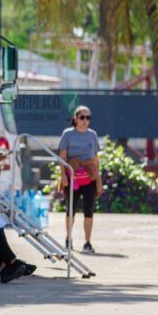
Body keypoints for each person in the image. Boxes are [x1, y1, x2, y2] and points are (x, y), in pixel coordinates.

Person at [58, 105, 101, 254]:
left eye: (88, 118)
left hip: (89, 178)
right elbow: (62, 158)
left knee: (89, 210)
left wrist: (98, 179)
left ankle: (87, 242)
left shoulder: (93, 135)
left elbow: (96, 159)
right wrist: (62, 175)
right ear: (75, 118)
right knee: (71, 210)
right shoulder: (67, 134)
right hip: (72, 177)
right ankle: (68, 239)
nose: (85, 120)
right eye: (82, 117)